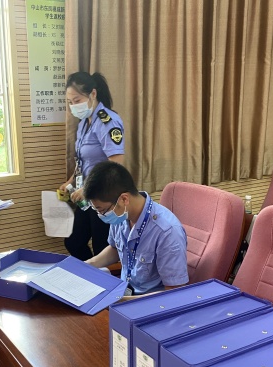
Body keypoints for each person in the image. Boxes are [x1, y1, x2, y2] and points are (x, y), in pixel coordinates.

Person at [84, 161, 189, 295]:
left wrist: (120, 300)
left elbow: (174, 292)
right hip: (124, 291)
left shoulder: (167, 231)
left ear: (124, 199)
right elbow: (115, 248)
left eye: (103, 210)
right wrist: (87, 265)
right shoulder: (121, 215)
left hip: (150, 302)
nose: (101, 215)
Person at [59, 71, 125, 261]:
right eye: (70, 102)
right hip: (86, 196)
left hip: (105, 195)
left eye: (77, 100)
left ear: (93, 94)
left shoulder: (108, 121)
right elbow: (83, 160)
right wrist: (70, 182)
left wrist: (89, 188)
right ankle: (89, 273)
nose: (73, 106)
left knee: (101, 247)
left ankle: (103, 278)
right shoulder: (84, 123)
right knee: (74, 241)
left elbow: (116, 166)